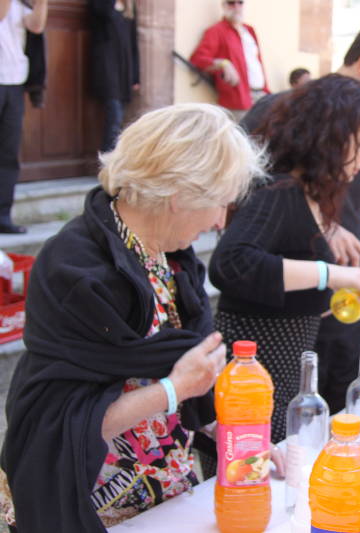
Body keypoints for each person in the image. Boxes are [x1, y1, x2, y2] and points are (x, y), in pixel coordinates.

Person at [0, 104, 267, 532]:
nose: (220, 221)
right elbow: (64, 419)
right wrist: (174, 388)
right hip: (93, 501)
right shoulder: (76, 269)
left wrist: (246, 444)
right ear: (181, 193)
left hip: (165, 487)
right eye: (220, 204)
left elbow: (184, 386)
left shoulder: (171, 257)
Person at [241, 11, 360, 413]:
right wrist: (320, 229)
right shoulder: (280, 111)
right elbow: (241, 209)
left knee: (343, 426)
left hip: (346, 312)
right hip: (280, 317)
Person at [209, 74, 360, 443]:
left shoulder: (311, 194)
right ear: (330, 138)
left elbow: (288, 288)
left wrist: (352, 290)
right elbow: (230, 264)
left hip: (281, 372)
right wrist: (331, 275)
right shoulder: (281, 191)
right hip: (255, 377)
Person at [0, 0, 47, 234]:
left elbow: (36, 26)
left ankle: (3, 215)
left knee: (9, 153)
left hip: (15, 82)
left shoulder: (21, 4)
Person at [190, 0, 269, 120]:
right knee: (243, 136)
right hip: (239, 99)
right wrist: (223, 63)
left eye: (240, 2)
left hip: (261, 95)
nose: (236, 7)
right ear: (224, 6)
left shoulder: (249, 30)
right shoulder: (216, 31)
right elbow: (198, 58)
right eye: (231, 3)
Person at [89, 0, 139, 153]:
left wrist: (136, 77)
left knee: (120, 117)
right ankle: (108, 161)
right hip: (106, 64)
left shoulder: (129, 8)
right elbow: (104, 14)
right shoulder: (102, 4)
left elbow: (133, 44)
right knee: (114, 113)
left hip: (124, 68)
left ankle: (112, 158)